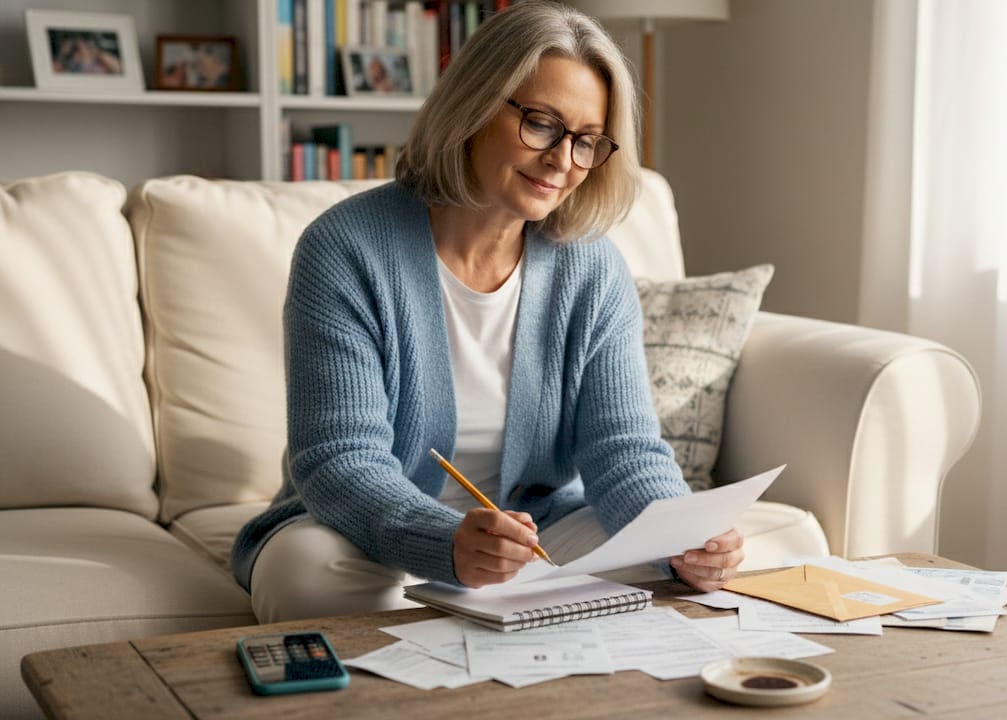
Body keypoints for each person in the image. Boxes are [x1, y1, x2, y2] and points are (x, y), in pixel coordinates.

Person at [230, 0, 744, 623]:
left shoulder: (593, 268)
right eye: (542, 124)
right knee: (306, 577)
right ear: (473, 105)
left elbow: (625, 450)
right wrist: (444, 542)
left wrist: (682, 538)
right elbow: (340, 460)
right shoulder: (345, 249)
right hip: (375, 531)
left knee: (665, 573)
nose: (562, 161)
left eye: (587, 142)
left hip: (538, 533)